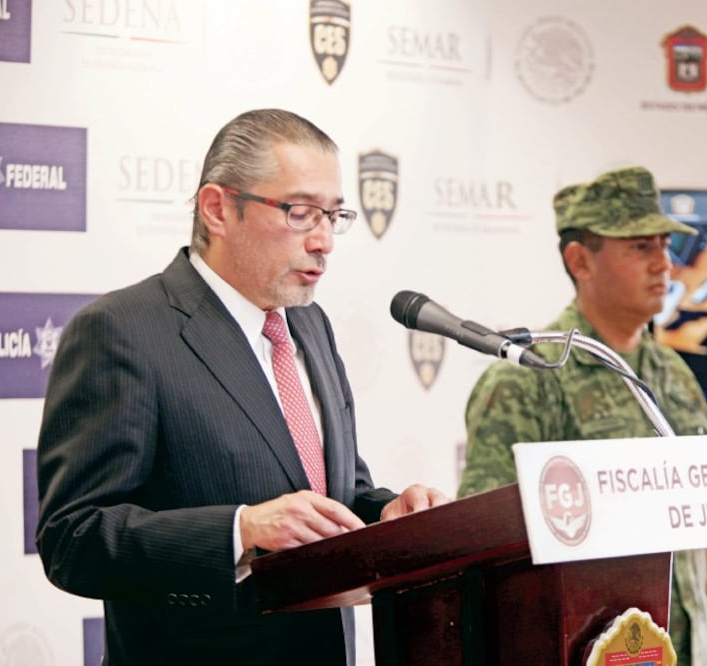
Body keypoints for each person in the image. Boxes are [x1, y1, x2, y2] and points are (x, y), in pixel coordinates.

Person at [36, 108, 450, 666]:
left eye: (334, 215)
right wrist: (240, 531)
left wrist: (387, 516)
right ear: (217, 208)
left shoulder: (309, 324)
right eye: (301, 213)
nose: (325, 240)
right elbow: (73, 539)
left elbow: (335, 494)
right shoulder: (122, 331)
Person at [456, 166, 707, 665]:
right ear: (580, 261)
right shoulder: (529, 379)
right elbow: (487, 546)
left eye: (664, 245)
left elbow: (698, 536)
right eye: (640, 247)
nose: (663, 263)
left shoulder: (676, 375)